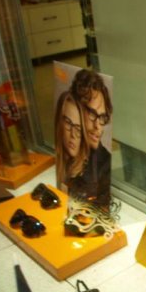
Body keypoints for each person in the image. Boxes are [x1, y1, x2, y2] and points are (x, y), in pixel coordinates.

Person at [70, 69, 112, 208]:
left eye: (102, 117)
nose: (98, 126)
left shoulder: (105, 164)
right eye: (93, 114)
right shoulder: (66, 153)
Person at [54, 91, 89, 194]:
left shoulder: (86, 174)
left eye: (78, 128)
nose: (73, 135)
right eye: (68, 123)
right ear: (59, 122)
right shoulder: (57, 162)